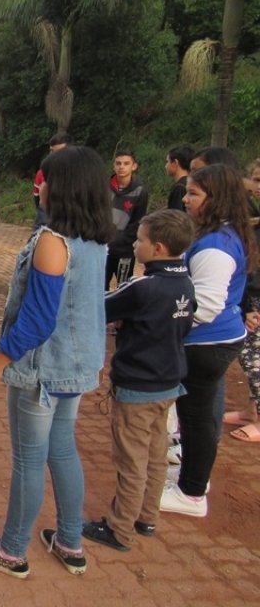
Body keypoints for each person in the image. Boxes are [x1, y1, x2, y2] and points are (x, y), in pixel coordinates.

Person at [0, 146, 115, 580]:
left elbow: (37, 319)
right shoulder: (95, 241)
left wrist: (0, 358)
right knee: (62, 449)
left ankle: (11, 550)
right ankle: (70, 541)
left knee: (29, 460)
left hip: (42, 371)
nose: (39, 187)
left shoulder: (54, 243)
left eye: (45, 180)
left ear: (62, 188)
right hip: (75, 366)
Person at [82, 210, 196, 552]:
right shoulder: (185, 283)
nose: (135, 244)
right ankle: (147, 517)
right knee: (156, 454)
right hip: (168, 383)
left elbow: (99, 307)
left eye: (140, 240)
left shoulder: (143, 286)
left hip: (138, 386)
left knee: (131, 460)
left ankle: (119, 529)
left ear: (158, 248)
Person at [161, 165, 255, 517]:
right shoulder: (218, 235)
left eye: (194, 194)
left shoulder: (216, 245)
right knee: (193, 416)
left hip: (206, 343)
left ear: (216, 200)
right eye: (187, 192)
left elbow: (207, 304)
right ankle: (192, 478)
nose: (185, 199)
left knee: (197, 418)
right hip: (209, 341)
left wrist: (162, 319)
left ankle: (191, 493)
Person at [225, 158, 260, 442]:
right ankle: (251, 412)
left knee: (254, 359)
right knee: (248, 358)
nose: (255, 187)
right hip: (251, 295)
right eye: (256, 180)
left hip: (257, 299)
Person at [106, 149, 149, 289]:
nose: (121, 167)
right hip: (102, 247)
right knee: (98, 287)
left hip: (124, 250)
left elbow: (138, 220)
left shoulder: (140, 191)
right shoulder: (103, 186)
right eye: (118, 163)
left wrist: (123, 241)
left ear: (134, 166)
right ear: (113, 165)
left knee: (123, 288)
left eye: (126, 163)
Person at [33, 132, 70, 228]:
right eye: (52, 151)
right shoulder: (41, 173)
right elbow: (37, 199)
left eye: (60, 152)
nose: (54, 155)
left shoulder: (81, 174)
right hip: (47, 222)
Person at [165, 146, 193, 211]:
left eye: (167, 161)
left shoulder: (179, 187)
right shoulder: (192, 183)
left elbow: (176, 216)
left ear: (175, 162)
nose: (166, 166)